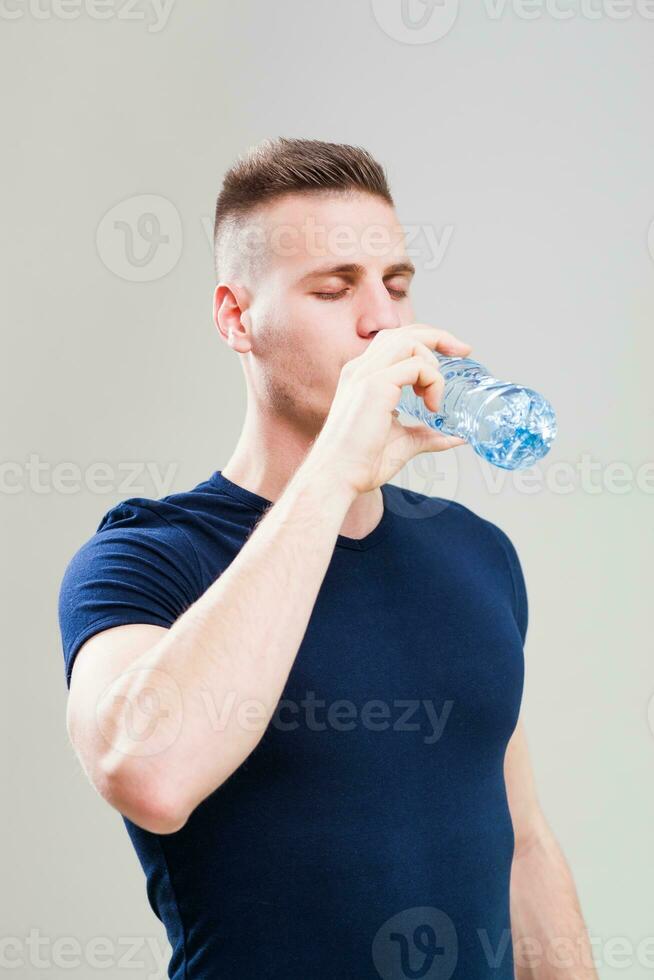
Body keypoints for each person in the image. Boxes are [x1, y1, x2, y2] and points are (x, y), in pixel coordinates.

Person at [58, 137, 597, 979]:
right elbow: (150, 774)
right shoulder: (147, 557)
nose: (381, 320)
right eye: (333, 287)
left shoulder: (475, 552)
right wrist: (334, 470)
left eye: (397, 285)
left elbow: (523, 845)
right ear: (237, 318)